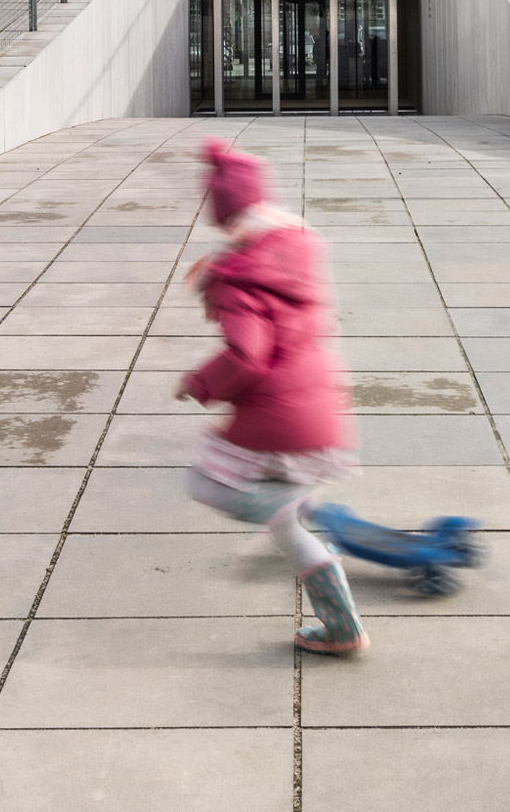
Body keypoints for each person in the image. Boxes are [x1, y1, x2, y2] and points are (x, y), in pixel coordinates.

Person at [179, 139, 367, 655]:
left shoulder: (239, 280)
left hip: (278, 420)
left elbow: (247, 354)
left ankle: (281, 504)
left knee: (204, 483)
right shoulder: (295, 252)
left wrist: (199, 383)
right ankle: (342, 627)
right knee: (289, 528)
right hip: (320, 411)